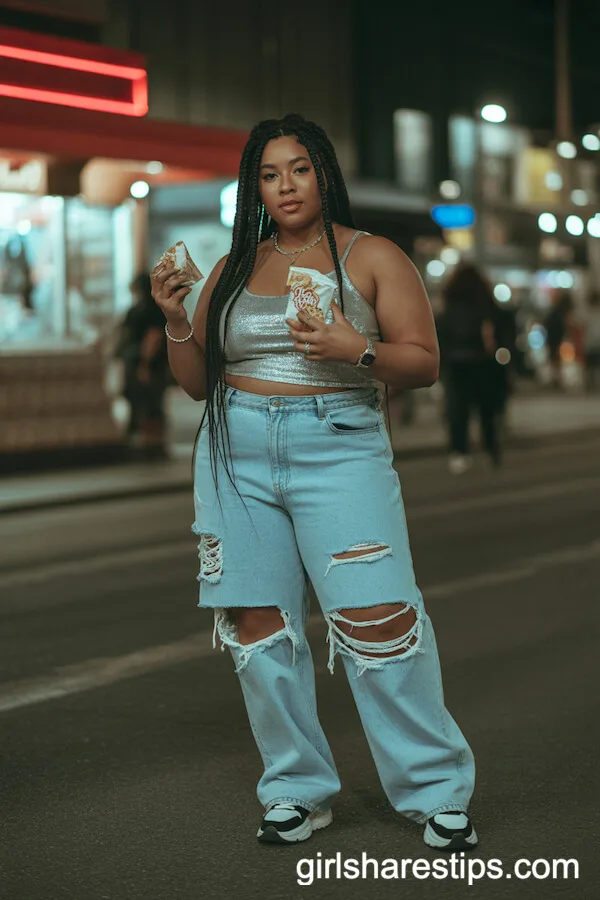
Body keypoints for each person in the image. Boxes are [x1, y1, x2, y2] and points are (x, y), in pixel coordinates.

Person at [150, 114, 477, 850]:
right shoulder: (234, 264)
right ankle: (297, 788)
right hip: (236, 454)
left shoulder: (373, 256)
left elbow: (422, 363)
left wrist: (354, 348)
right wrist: (175, 319)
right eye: (269, 174)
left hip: (339, 449)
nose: (285, 186)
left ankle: (435, 789)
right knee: (257, 629)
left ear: (324, 174)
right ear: (254, 187)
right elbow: (198, 384)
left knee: (379, 623)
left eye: (299, 169)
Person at [436, 264, 503, 474]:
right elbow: (497, 337)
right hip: (483, 364)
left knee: (458, 411)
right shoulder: (486, 307)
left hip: (456, 366)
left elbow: (441, 338)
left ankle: (459, 452)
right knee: (487, 411)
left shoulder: (449, 308)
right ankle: (490, 450)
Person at [116, 273, 169, 457]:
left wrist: (145, 364)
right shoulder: (144, 309)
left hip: (146, 365)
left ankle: (152, 444)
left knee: (149, 405)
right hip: (139, 363)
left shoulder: (147, 310)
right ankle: (149, 443)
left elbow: (153, 338)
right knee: (143, 404)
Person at [583, 290, 600, 391]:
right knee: (592, 365)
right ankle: (592, 384)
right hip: (592, 343)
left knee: (591, 366)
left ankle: (591, 384)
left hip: (591, 343)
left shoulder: (588, 313)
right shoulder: (589, 313)